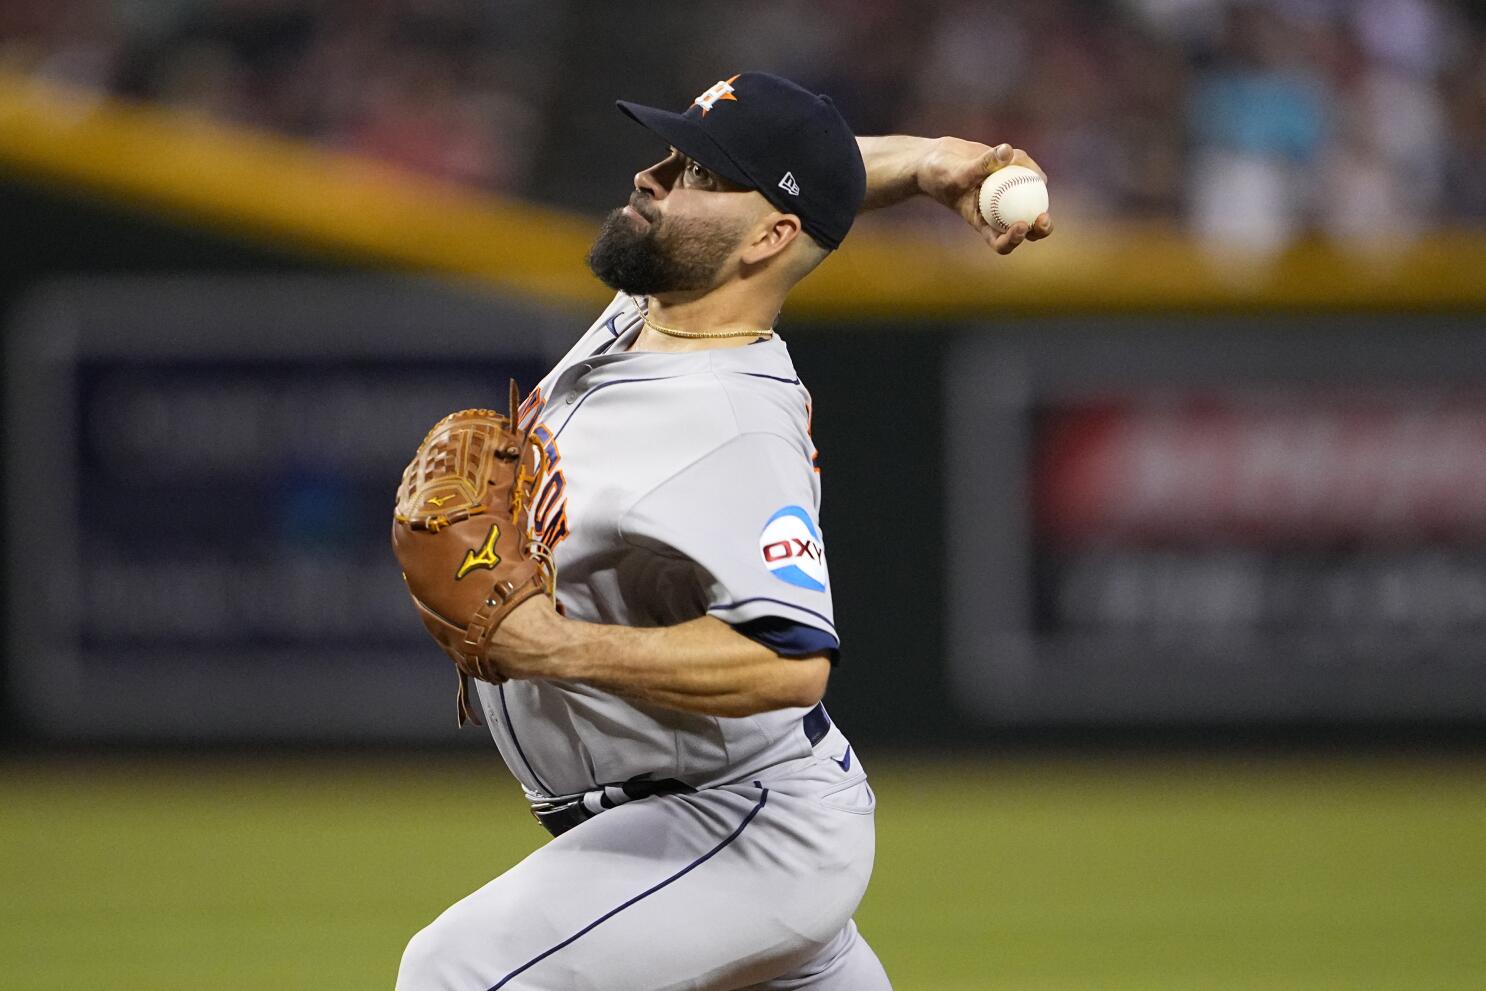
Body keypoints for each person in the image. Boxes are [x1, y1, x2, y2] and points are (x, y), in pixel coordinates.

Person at [395, 71, 1051, 991]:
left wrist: (550, 646)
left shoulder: (730, 430)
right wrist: (934, 162)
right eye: (669, 153)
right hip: (698, 826)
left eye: (697, 171)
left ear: (770, 239)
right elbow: (817, 177)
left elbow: (786, 660)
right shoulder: (654, 310)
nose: (653, 178)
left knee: (460, 970)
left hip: (742, 831)